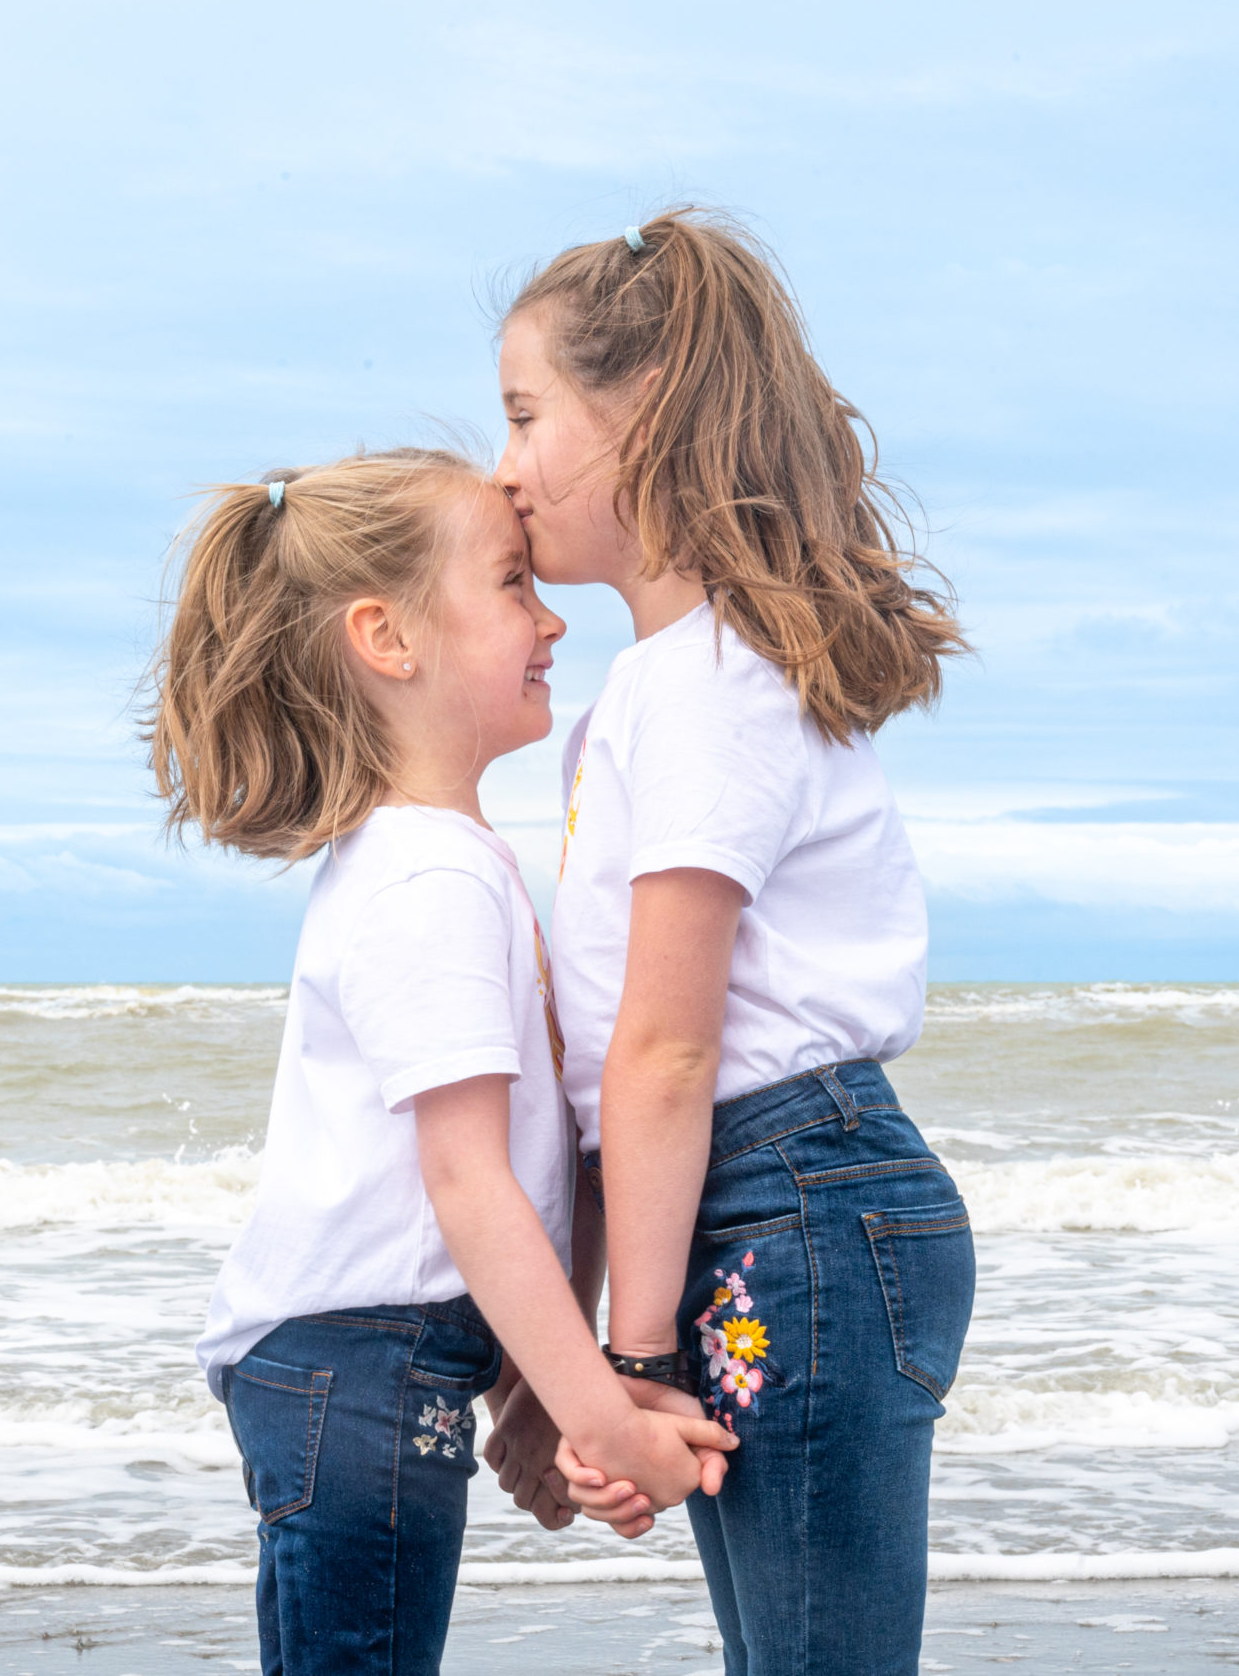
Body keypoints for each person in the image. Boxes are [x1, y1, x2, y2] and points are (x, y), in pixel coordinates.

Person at [149, 448, 734, 1676]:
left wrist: (535, 1389)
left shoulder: (440, 859)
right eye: (514, 583)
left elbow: (544, 1159)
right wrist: (599, 1419)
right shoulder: (426, 876)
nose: (551, 615)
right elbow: (467, 1182)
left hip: (361, 1366)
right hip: (356, 1368)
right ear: (388, 638)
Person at [493, 211, 980, 1675]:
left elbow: (665, 1049)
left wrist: (628, 1365)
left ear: (641, 418)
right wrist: (568, 1374)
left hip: (801, 1207)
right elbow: (613, 1082)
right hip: (763, 1207)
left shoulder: (706, 684)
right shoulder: (654, 693)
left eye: (525, 417)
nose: (503, 467)